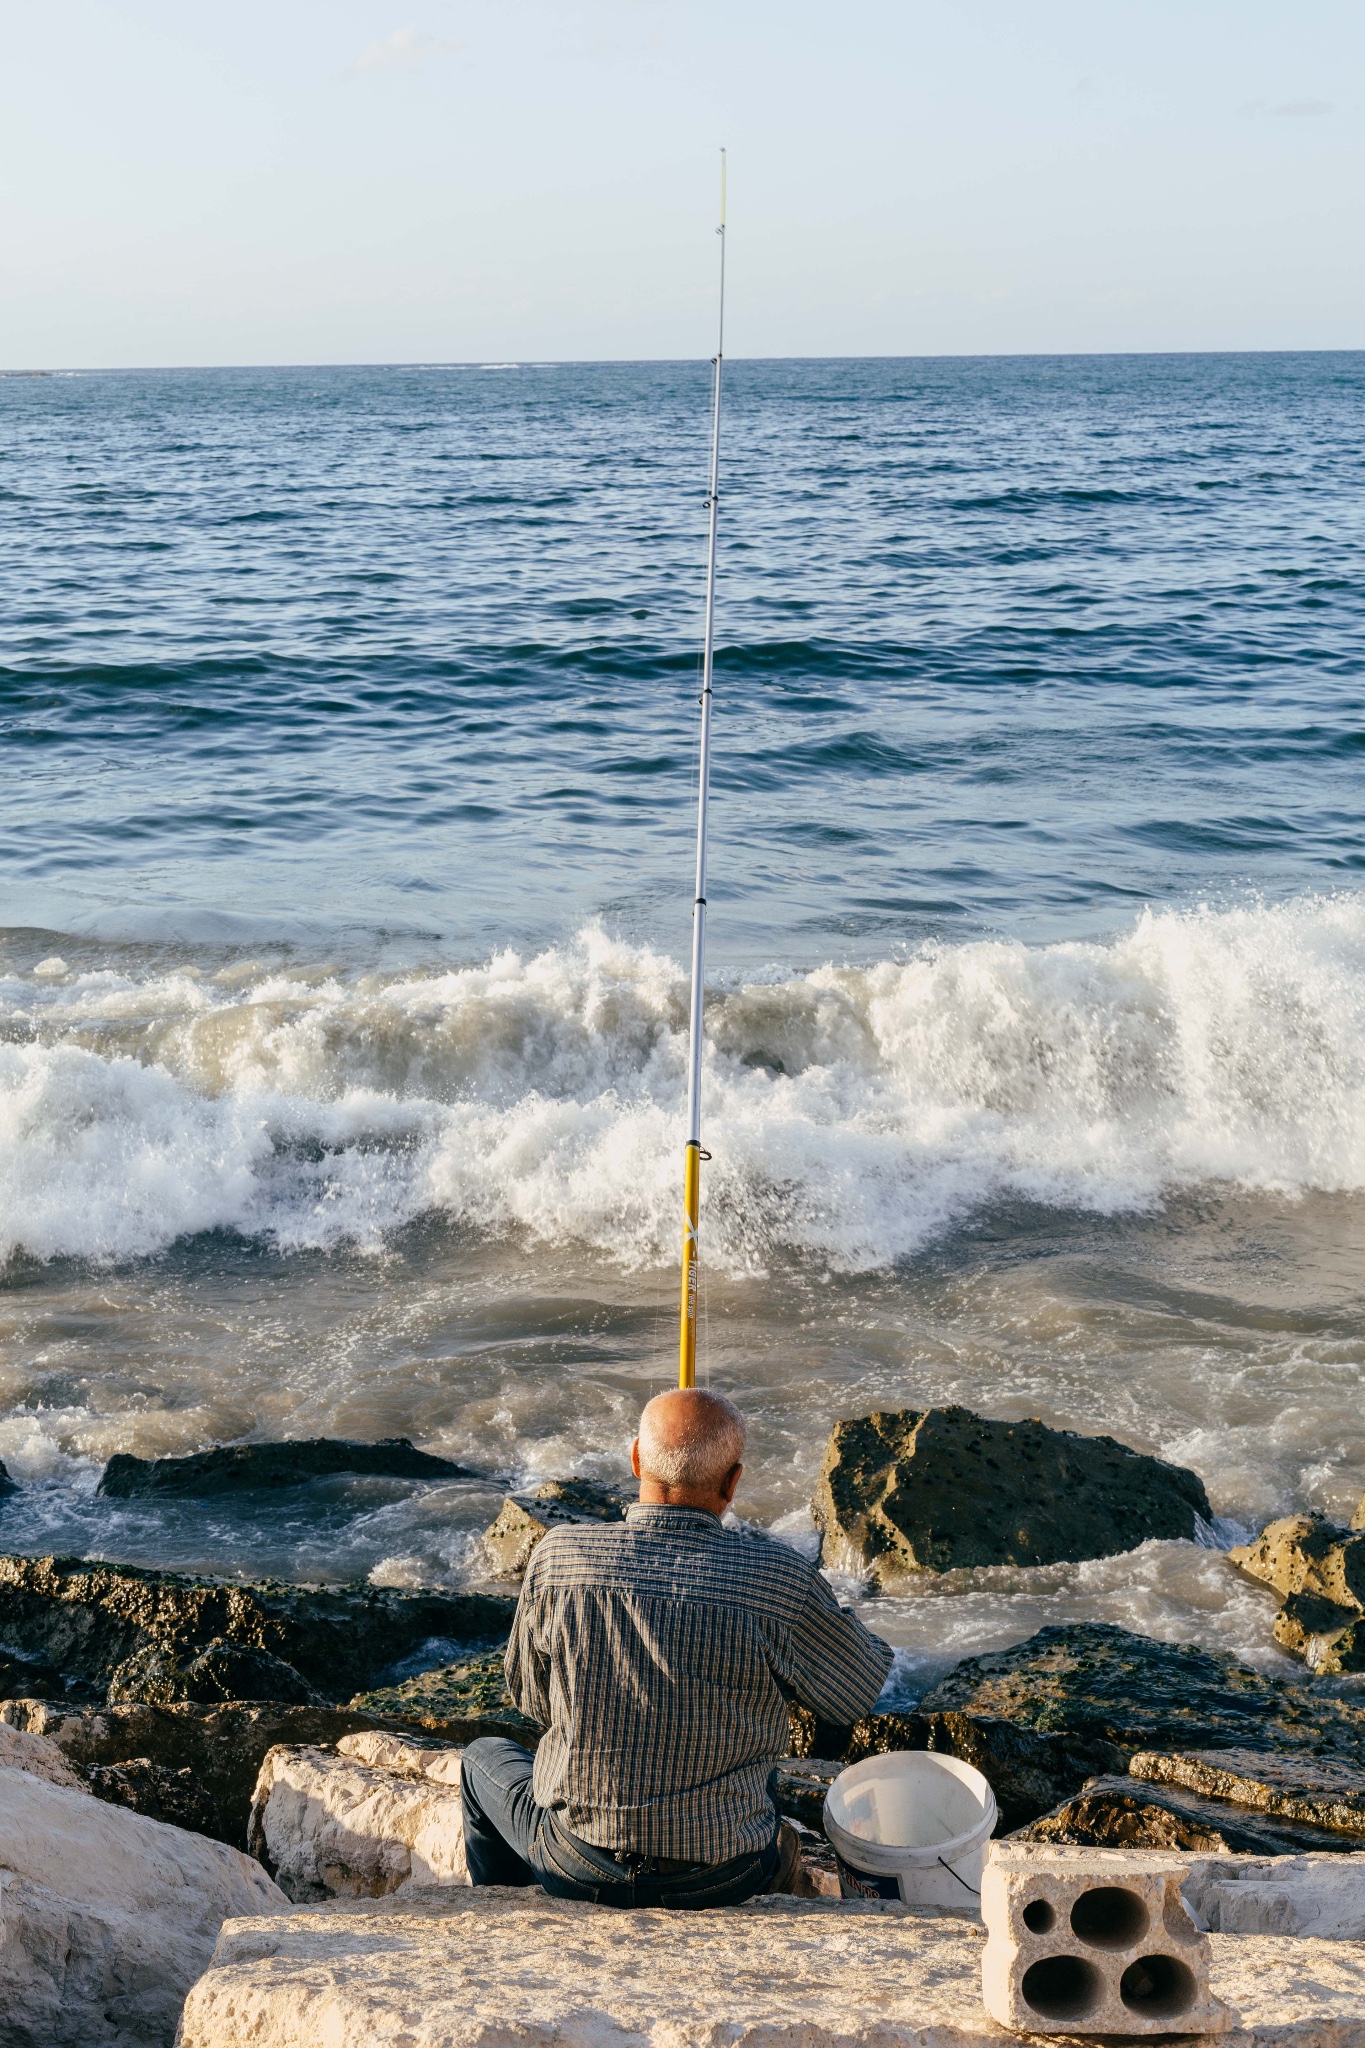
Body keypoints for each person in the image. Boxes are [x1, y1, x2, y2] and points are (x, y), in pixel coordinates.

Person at [461, 1386, 893, 1908]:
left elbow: (532, 1700)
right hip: (724, 1876)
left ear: (637, 1458)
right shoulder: (780, 1579)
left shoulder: (560, 1557)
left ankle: (508, 1908)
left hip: (577, 1864)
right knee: (762, 1768)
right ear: (733, 1482)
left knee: (482, 1757)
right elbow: (853, 1695)